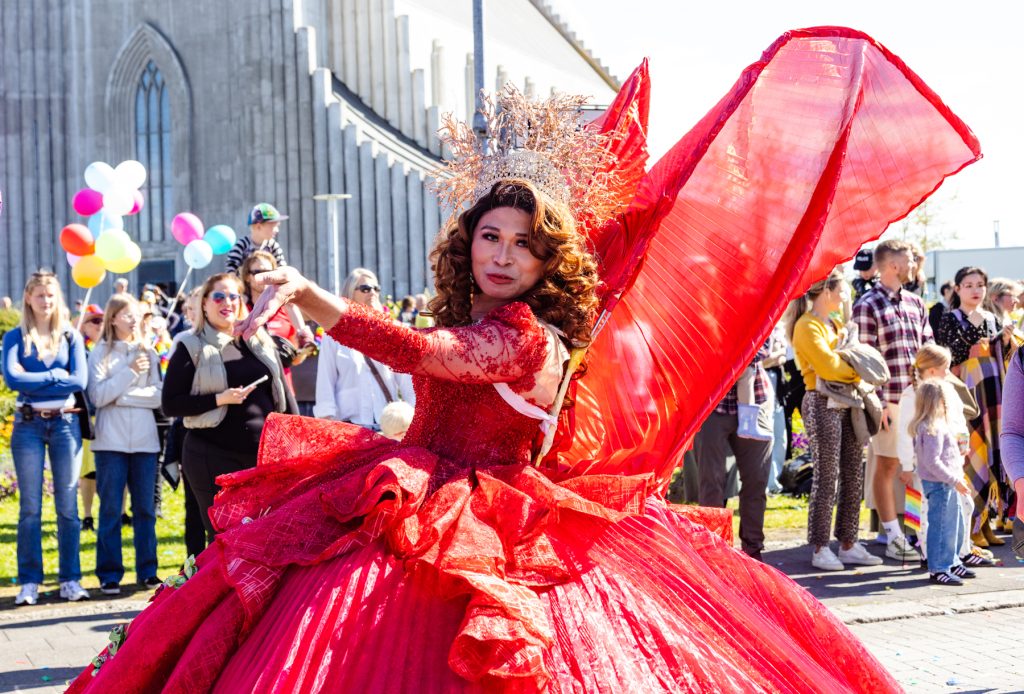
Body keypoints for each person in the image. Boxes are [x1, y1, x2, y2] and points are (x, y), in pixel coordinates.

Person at [66, 28, 982, 691]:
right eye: (487, 235)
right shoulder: (492, 310)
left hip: (491, 525)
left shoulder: (527, 335)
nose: (499, 254)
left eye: (523, 244)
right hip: (412, 499)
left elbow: (430, 351)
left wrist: (319, 301)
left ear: (551, 262)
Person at [160, 273, 296, 545]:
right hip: (212, 457)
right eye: (219, 296)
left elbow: (283, 391)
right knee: (226, 539)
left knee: (267, 534)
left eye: (233, 296)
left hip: (261, 457)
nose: (227, 302)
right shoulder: (192, 345)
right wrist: (218, 399)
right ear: (204, 304)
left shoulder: (259, 340)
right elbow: (171, 403)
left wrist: (296, 439)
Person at [2, 271, 89, 605]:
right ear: (28, 297)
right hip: (28, 426)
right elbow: (12, 378)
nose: (46, 301)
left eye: (51, 295)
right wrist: (55, 375)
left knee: (67, 506)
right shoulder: (15, 337)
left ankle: (70, 578)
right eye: (40, 295)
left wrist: (33, 379)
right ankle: (29, 581)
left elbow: (79, 380)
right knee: (30, 508)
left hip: (65, 424)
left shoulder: (70, 336)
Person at [788, 268, 882, 571]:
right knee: (827, 476)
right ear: (827, 291)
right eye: (842, 290)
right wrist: (856, 368)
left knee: (854, 473)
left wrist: (848, 363)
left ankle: (848, 542)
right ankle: (819, 547)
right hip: (821, 402)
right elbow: (828, 368)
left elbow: (842, 360)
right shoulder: (807, 325)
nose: (846, 295)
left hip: (848, 401)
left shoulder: (836, 324)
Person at [853, 238, 931, 562]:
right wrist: (879, 401)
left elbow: (929, 352)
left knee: (913, 468)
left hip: (917, 401)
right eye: (910, 260)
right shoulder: (867, 305)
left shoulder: (916, 304)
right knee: (885, 466)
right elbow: (862, 358)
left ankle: (912, 531)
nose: (915, 266)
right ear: (895, 266)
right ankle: (892, 534)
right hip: (888, 403)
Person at [87, 293, 164, 595]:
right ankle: (109, 573)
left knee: (145, 509)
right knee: (110, 509)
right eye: (126, 314)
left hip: (145, 441)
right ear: (113, 318)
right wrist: (130, 372)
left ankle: (148, 570)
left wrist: (122, 398)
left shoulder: (150, 351)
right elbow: (98, 396)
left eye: (136, 314)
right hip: (110, 442)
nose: (133, 319)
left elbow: (159, 397)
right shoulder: (100, 352)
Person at [936, 266, 1014, 546]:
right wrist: (979, 344)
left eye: (980, 284)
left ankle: (987, 522)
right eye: (968, 285)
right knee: (973, 454)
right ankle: (971, 527)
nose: (975, 290)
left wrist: (1003, 340)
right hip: (967, 392)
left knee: (994, 453)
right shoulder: (950, 319)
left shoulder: (993, 318)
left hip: (994, 392)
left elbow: (1003, 356)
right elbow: (949, 355)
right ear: (957, 289)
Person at [895, 344, 991, 568]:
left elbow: (957, 420)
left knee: (963, 505)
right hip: (926, 464)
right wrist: (907, 465)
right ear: (930, 371)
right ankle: (930, 555)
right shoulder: (912, 396)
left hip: (950, 461)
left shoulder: (946, 389)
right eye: (944, 368)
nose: (948, 373)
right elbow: (905, 433)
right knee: (926, 512)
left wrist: (962, 443)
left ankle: (960, 551)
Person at [695, 343, 774, 560]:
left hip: (754, 402)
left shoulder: (758, 308)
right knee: (711, 483)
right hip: (711, 402)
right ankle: (714, 551)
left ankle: (753, 550)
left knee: (757, 480)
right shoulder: (707, 312)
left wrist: (732, 353)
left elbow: (764, 346)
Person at [314, 268, 415, 430]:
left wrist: (415, 417)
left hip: (387, 426)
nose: (372, 292)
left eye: (376, 288)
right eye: (365, 288)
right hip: (349, 425)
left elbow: (406, 380)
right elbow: (326, 381)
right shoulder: (333, 334)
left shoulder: (390, 331)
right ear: (349, 293)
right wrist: (328, 422)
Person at [909, 379, 974, 585]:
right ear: (935, 402)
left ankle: (952, 561)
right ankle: (938, 568)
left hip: (947, 482)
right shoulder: (931, 428)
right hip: (941, 485)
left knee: (954, 524)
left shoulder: (936, 425)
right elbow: (932, 461)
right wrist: (954, 479)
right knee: (941, 527)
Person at [225, 203, 314, 347]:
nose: (277, 230)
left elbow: (282, 270)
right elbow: (230, 273)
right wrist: (240, 292)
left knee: (289, 302)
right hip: (246, 289)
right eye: (273, 226)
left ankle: (302, 333)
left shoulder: (273, 246)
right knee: (240, 302)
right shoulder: (241, 245)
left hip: (268, 288)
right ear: (258, 226)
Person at [76, 303, 104, 532]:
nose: (99, 325)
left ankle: (121, 512)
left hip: (111, 416)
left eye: (101, 320)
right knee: (89, 471)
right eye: (94, 320)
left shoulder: (110, 348)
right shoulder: (79, 351)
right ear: (83, 326)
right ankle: (87, 516)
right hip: (90, 417)